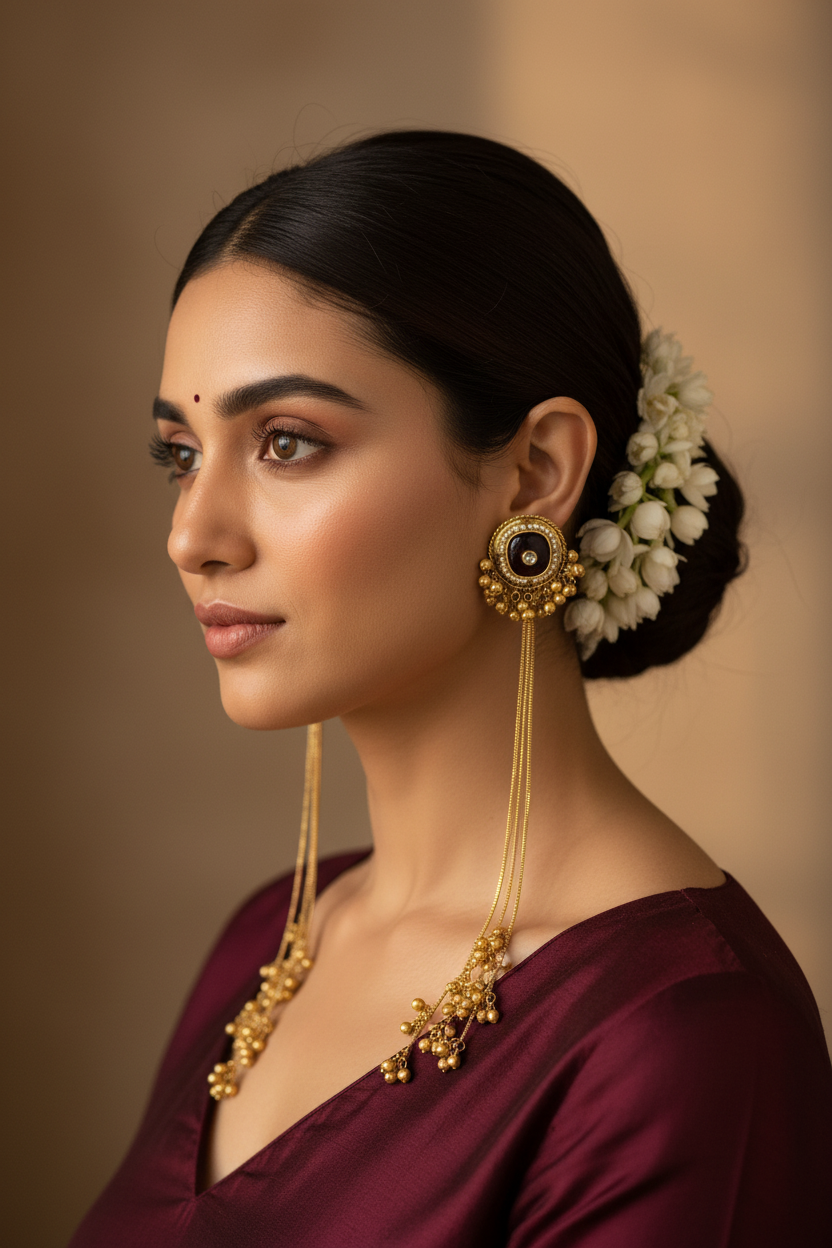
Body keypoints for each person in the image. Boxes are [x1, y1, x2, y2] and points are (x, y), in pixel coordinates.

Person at [69, 131, 832, 1247]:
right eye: (181, 453)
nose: (193, 534)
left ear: (535, 474)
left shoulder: (680, 1038)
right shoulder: (272, 936)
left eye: (285, 442)